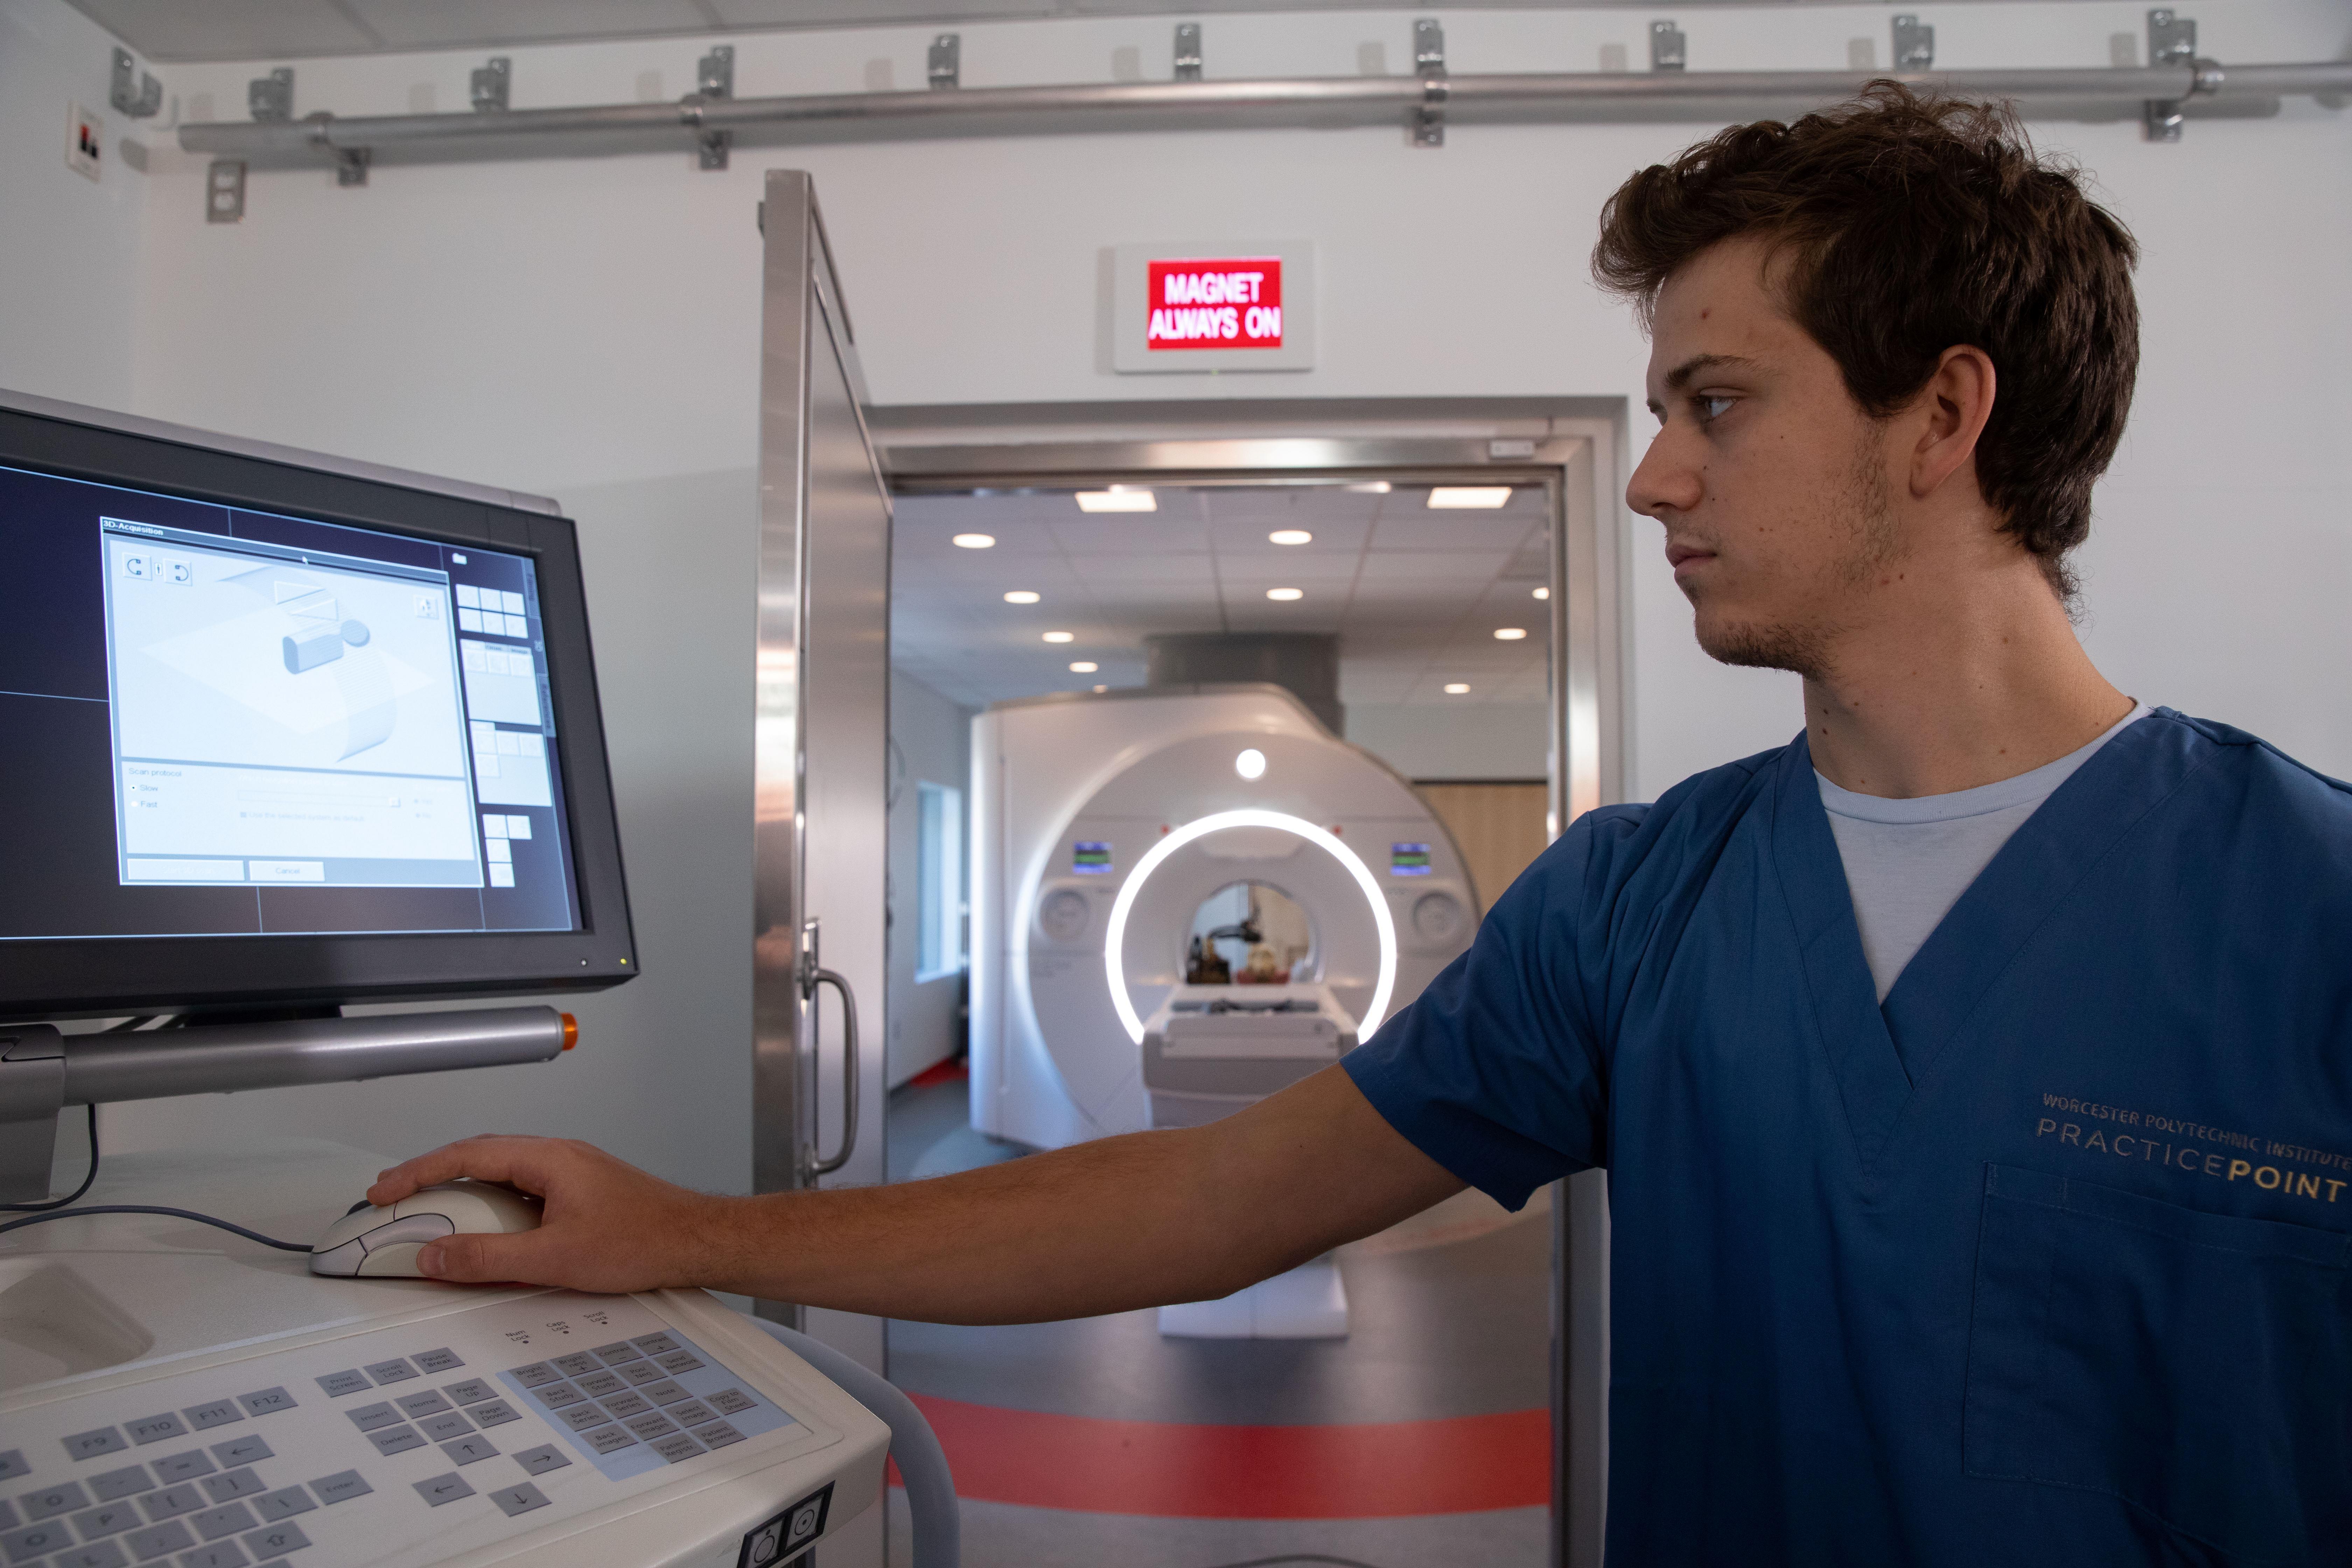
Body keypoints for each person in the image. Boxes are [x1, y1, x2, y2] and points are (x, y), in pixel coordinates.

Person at [373, 86, 2352, 1564]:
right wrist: (694, 1233)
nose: (1657, 478)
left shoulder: (2309, 917)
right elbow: (1207, 1198)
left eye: (1717, 402)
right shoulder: (1636, 905)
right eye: (1652, 410)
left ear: (1944, 416)